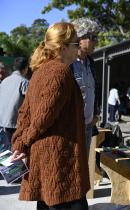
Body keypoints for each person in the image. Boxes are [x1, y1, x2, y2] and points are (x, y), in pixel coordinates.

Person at [10, 22, 89, 210]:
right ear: (63, 47)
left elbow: (24, 114)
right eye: (75, 44)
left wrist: (20, 142)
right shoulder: (59, 72)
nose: (78, 48)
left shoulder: (39, 73)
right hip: (61, 165)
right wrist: (22, 143)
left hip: (48, 163)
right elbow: (42, 117)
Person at [71, 17, 100, 153]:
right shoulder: (67, 63)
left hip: (88, 126)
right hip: (71, 128)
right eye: (93, 38)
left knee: (83, 168)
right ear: (80, 38)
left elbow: (94, 90)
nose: (96, 42)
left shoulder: (91, 63)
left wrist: (95, 114)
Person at [0, 57, 29, 150]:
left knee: (6, 152)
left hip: (2, 122)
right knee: (16, 151)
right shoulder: (24, 82)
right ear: (26, 69)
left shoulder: (4, 81)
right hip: (14, 123)